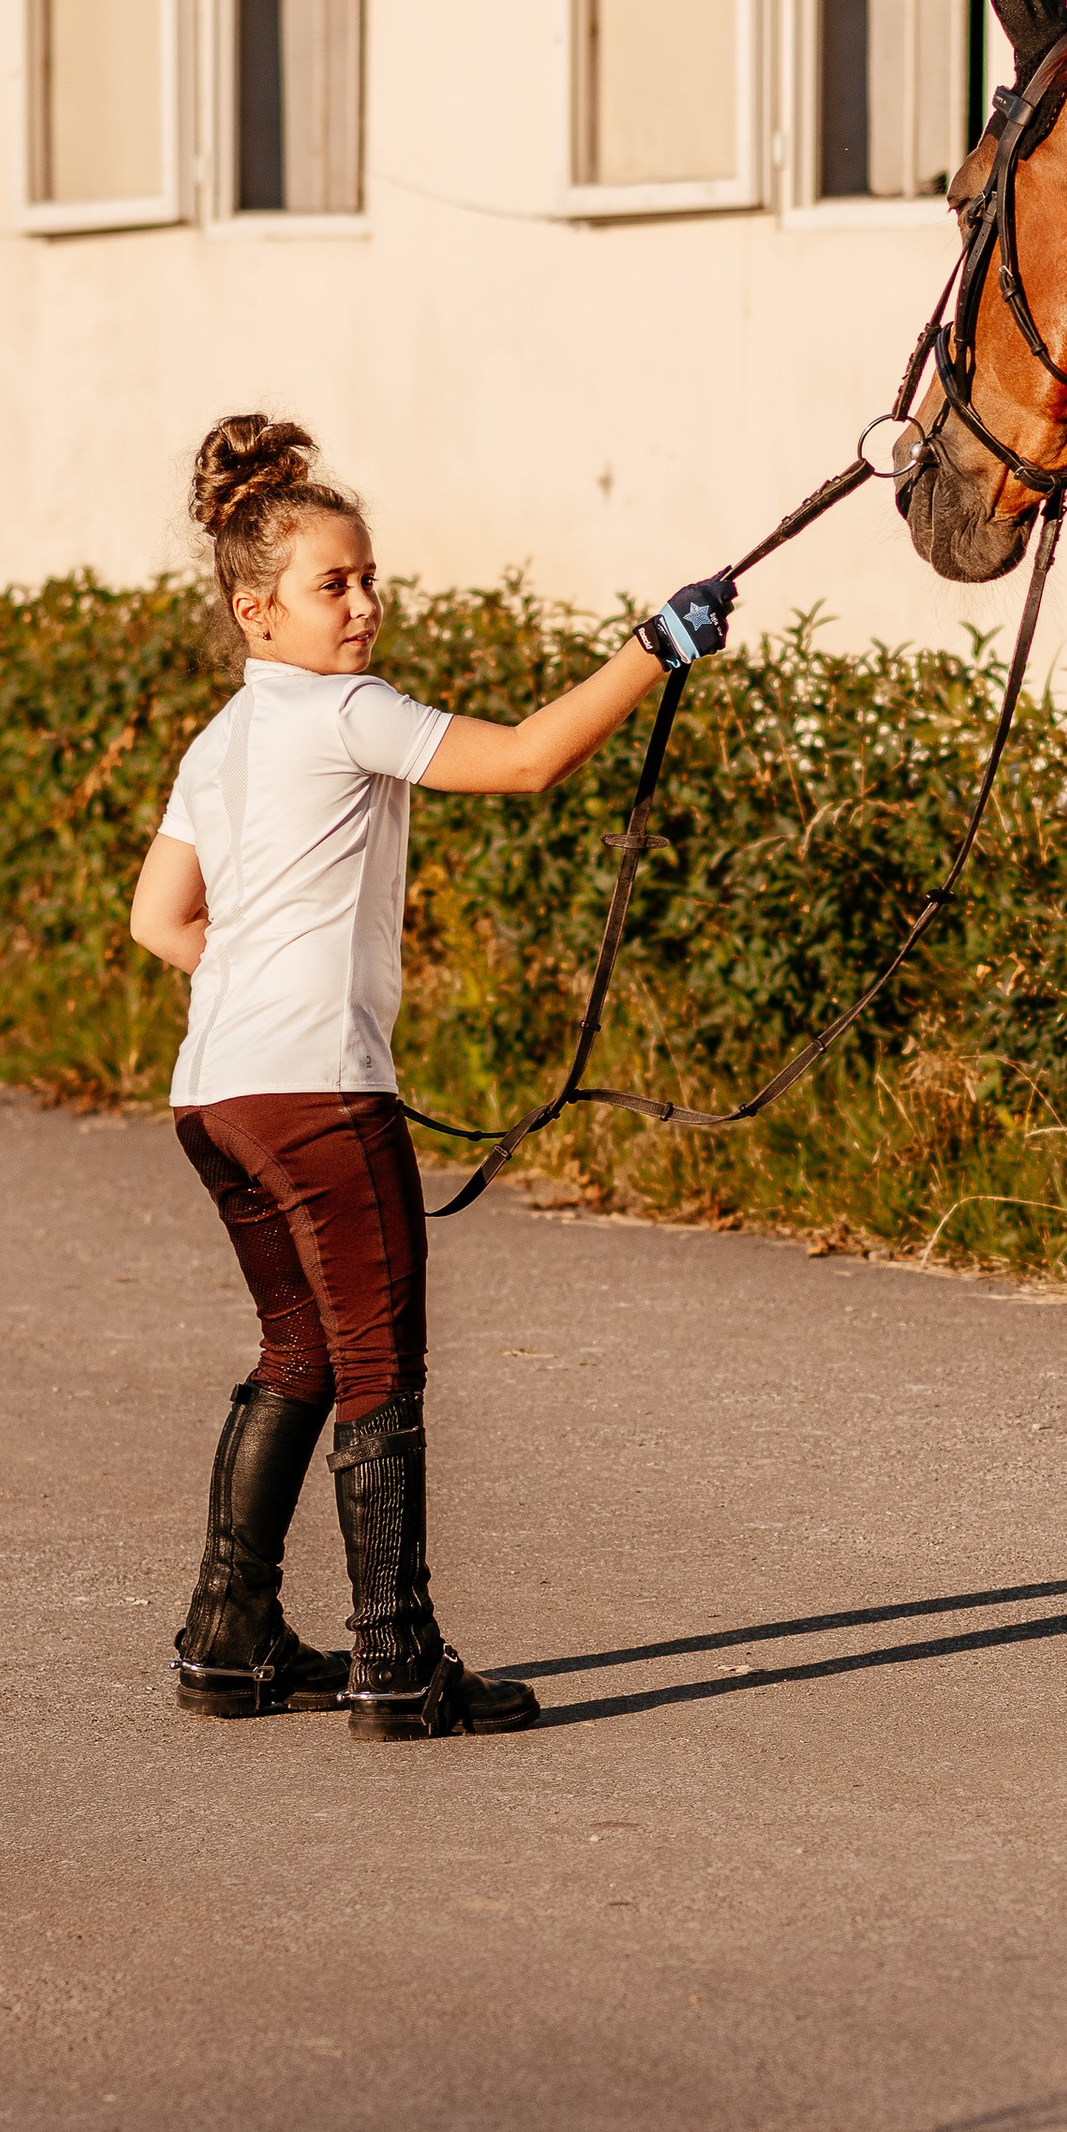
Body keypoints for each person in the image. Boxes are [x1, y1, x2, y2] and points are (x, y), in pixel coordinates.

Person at [128, 413, 734, 1742]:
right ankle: (397, 1664)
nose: (362, 604)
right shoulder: (345, 711)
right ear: (256, 609)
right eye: (330, 585)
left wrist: (256, 977)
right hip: (314, 1095)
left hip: (215, 1098)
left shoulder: (218, 742)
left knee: (296, 1353)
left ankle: (229, 1639)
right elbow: (523, 761)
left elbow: (159, 921)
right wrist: (652, 649)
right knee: (373, 1366)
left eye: (366, 577)